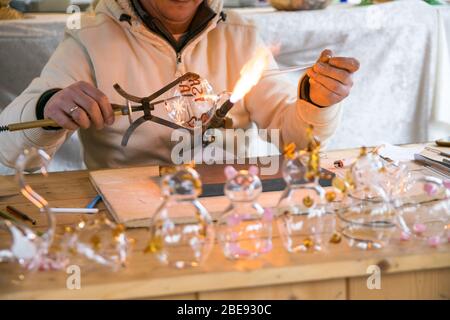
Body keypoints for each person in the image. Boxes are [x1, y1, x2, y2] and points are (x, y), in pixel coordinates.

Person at [0, 0, 359, 170]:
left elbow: (299, 138)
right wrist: (46, 107)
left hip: (229, 208)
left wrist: (317, 102)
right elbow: (8, 145)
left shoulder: (240, 35)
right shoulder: (91, 39)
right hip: (129, 223)